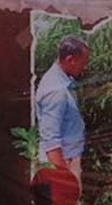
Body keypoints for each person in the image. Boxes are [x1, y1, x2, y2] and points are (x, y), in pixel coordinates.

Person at [35, 35, 91, 195]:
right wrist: (64, 178)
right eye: (84, 62)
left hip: (67, 160)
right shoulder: (55, 90)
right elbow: (51, 141)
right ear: (70, 59)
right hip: (61, 163)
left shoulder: (62, 81)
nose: (85, 67)